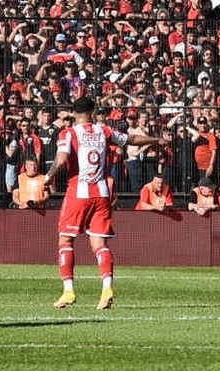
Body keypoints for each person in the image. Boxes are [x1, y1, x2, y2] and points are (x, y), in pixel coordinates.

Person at [47, 96, 158, 310]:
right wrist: (155, 140)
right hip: (102, 194)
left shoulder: (68, 133)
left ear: (74, 113)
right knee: (99, 244)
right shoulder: (104, 130)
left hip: (78, 193)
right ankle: (107, 287)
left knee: (66, 240)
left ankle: (68, 291)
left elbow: (61, 160)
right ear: (93, 111)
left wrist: (48, 177)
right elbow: (131, 140)